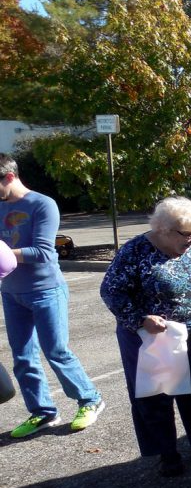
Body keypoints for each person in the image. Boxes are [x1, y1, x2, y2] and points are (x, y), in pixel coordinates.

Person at [100, 196, 191, 477]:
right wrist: (140, 318)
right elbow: (111, 291)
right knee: (155, 395)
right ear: (163, 230)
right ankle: (167, 452)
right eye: (188, 234)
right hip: (149, 337)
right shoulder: (135, 251)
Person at [0, 153, 104, 438]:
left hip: (46, 290)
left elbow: (44, 252)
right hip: (11, 292)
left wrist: (5, 254)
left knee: (56, 351)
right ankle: (43, 412)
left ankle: (90, 399)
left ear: (9, 176)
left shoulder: (42, 204)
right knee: (23, 357)